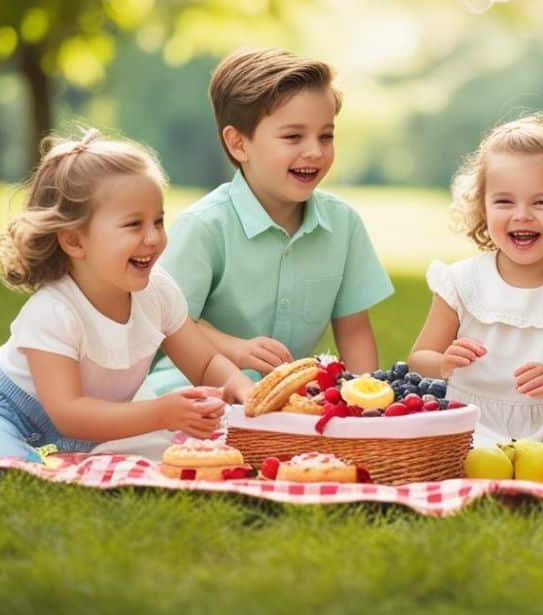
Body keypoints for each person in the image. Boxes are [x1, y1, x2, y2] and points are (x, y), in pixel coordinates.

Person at [0, 130, 255, 462]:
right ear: (75, 240)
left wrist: (240, 386)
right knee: (5, 461)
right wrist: (159, 412)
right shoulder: (54, 311)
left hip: (80, 429)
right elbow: (70, 412)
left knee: (170, 451)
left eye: (159, 221)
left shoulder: (159, 292)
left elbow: (204, 361)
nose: (154, 238)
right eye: (134, 224)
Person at [141, 48, 393, 397]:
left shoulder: (344, 225)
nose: (315, 152)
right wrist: (235, 348)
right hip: (192, 392)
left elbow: (354, 331)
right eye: (293, 137)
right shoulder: (205, 226)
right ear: (238, 143)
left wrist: (367, 403)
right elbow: (166, 322)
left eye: (326, 135)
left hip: (287, 400)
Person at [409, 114, 543, 449]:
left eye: (541, 202)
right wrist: (443, 362)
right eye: (504, 201)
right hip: (473, 421)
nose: (522, 215)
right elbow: (419, 357)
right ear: (483, 208)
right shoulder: (461, 282)